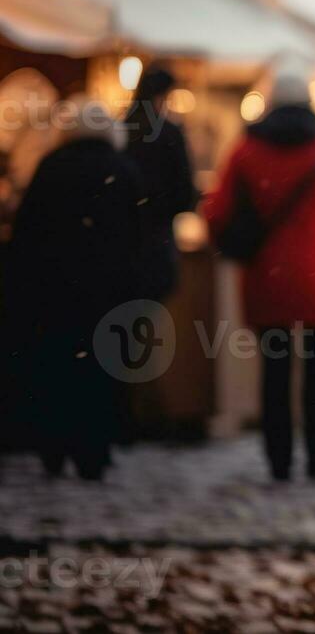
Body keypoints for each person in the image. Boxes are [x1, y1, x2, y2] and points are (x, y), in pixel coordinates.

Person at [204, 73, 315, 482]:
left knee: (274, 372)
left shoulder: (246, 151)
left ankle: (279, 460)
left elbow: (218, 212)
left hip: (267, 274)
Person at [4, 101, 145, 480]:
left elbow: (27, 232)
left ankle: (54, 446)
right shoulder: (123, 170)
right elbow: (140, 235)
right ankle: (93, 451)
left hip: (56, 287)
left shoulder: (52, 168)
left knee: (57, 364)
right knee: (100, 370)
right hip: (107, 289)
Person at [123, 66, 197, 304]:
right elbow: (184, 192)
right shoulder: (169, 134)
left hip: (122, 244)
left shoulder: (122, 129)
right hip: (157, 242)